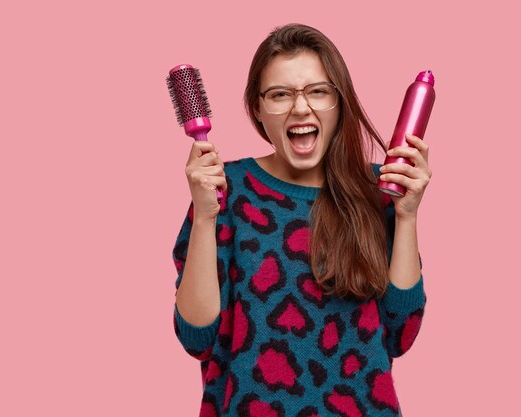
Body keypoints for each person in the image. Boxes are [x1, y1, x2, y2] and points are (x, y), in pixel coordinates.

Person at [172, 23, 432, 417]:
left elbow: (400, 334)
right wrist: (206, 217)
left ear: (339, 101)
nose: (300, 107)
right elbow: (197, 338)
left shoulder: (379, 190)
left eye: (317, 91)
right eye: (279, 95)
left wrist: (407, 216)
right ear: (257, 109)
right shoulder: (224, 190)